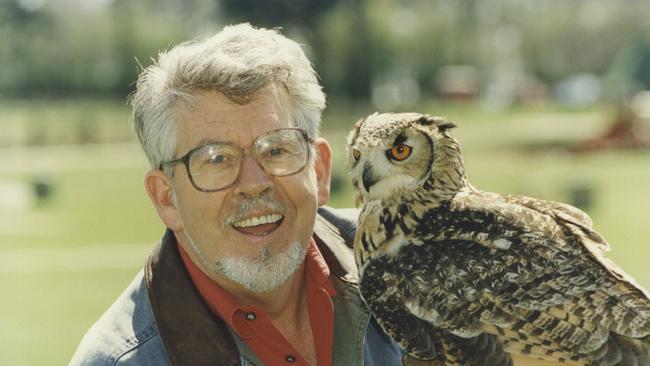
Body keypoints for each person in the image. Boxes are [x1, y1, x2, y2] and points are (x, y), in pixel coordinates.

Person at [70, 23, 403, 366]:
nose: (254, 182)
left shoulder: (415, 268)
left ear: (318, 171)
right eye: (217, 159)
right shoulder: (117, 361)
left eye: (276, 149)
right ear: (166, 198)